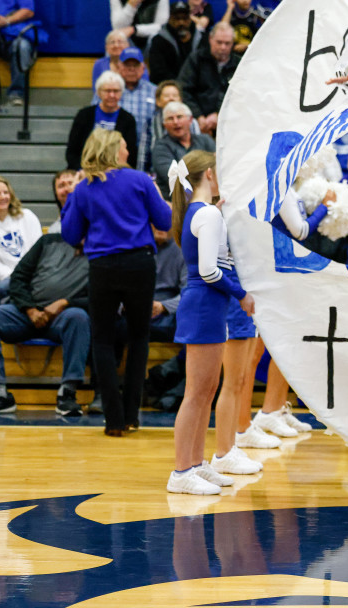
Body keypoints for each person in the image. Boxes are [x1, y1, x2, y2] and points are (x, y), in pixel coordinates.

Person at [60, 129, 173, 436]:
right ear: (114, 150)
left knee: (103, 341)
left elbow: (70, 235)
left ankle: (113, 420)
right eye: (124, 146)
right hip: (140, 263)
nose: (128, 150)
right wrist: (161, 198)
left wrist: (73, 198)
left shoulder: (84, 188)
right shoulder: (139, 180)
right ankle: (132, 414)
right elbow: (164, 221)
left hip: (103, 267)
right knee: (139, 338)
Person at [167, 149, 260, 493]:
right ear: (208, 173)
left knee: (205, 390)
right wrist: (241, 294)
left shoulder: (204, 212)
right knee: (196, 394)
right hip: (205, 303)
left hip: (207, 305)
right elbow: (208, 270)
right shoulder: (206, 214)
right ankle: (180, 473)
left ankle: (195, 463)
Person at [0, 219, 91, 417]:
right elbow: (18, 278)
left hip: (62, 317)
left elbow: (99, 298)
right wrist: (30, 309)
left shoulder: (102, 254)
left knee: (79, 317)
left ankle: (67, 393)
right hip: (26, 314)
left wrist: (64, 303)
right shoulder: (48, 242)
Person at [0, 175, 43, 304]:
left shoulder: (27, 216)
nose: (3, 197)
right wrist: (16, 277)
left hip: (36, 272)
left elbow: (39, 249)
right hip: (11, 277)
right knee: (1, 289)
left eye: (6, 192)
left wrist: (29, 274)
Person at [66, 71, 139, 172]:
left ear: (121, 93)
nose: (112, 95)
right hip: (84, 170)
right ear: (98, 92)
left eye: (116, 91)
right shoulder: (84, 115)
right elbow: (72, 151)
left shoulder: (128, 119)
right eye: (107, 91)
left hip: (116, 171)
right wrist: (82, 170)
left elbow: (131, 154)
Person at [178, 22, 241, 136]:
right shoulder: (196, 59)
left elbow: (242, 97)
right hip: (197, 124)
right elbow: (184, 89)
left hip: (231, 124)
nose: (223, 47)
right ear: (210, 39)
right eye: (219, 42)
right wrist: (198, 116)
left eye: (227, 43)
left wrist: (219, 115)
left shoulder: (239, 65)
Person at [152, 100, 217, 196]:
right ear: (164, 125)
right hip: (176, 201)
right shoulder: (160, 147)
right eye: (170, 118)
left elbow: (218, 167)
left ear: (190, 120)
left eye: (179, 117)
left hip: (208, 196)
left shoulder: (205, 140)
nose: (175, 122)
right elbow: (175, 178)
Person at [111, 47, 158, 172]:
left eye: (135, 65)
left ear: (143, 68)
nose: (131, 69)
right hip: (114, 150)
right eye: (127, 65)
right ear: (119, 67)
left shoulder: (154, 91)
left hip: (146, 150)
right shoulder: (110, 89)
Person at [147, 2, 203, 83]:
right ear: (169, 19)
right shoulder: (158, 41)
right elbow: (158, 73)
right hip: (169, 87)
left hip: (197, 88)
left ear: (190, 19)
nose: (181, 22)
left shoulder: (202, 40)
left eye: (185, 18)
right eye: (177, 18)